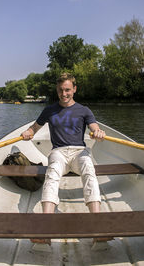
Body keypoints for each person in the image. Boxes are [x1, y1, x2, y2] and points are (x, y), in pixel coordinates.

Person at [21, 73, 106, 244]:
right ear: (57, 90)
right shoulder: (49, 110)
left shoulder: (84, 110)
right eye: (61, 90)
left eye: (67, 90)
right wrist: (28, 132)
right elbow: (34, 128)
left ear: (74, 89)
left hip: (79, 151)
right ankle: (46, 227)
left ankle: (97, 225)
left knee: (89, 171)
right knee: (51, 175)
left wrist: (98, 132)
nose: (64, 93)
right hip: (58, 152)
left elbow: (95, 127)